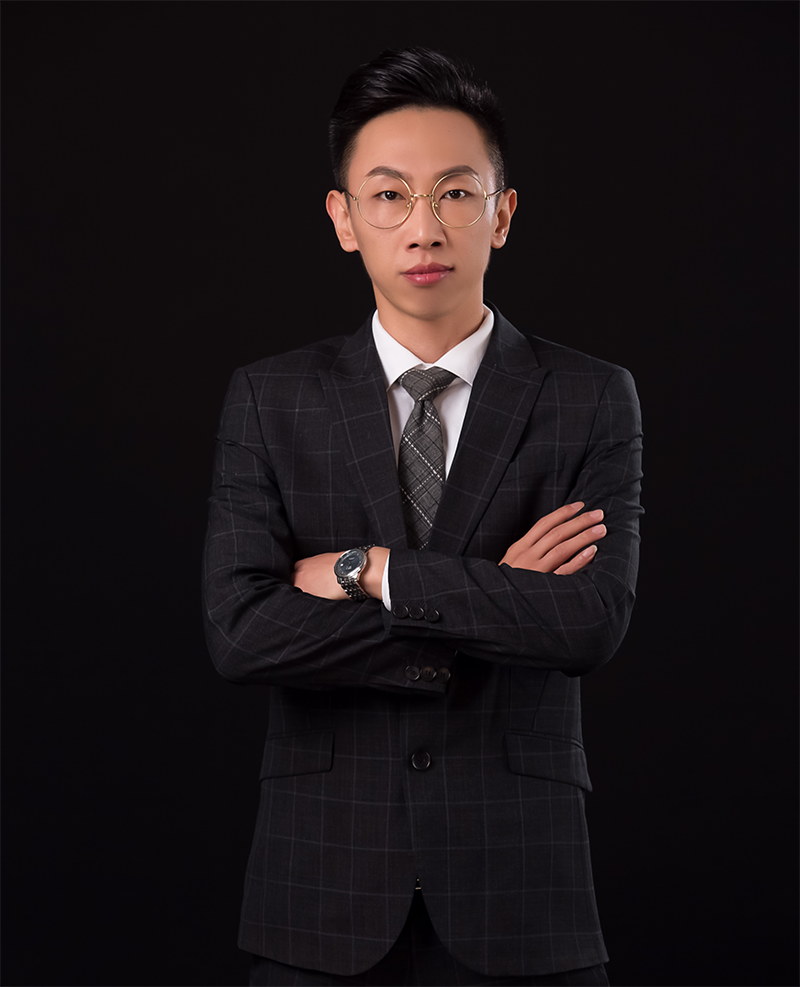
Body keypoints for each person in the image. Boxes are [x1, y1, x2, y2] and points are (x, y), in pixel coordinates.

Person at [203, 46, 643, 987]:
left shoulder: (590, 397)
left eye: (455, 193)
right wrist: (497, 599)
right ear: (344, 219)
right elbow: (240, 632)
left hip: (522, 891)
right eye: (390, 196)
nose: (424, 227)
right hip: (318, 890)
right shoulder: (271, 398)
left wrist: (373, 571)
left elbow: (589, 621)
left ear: (503, 212)